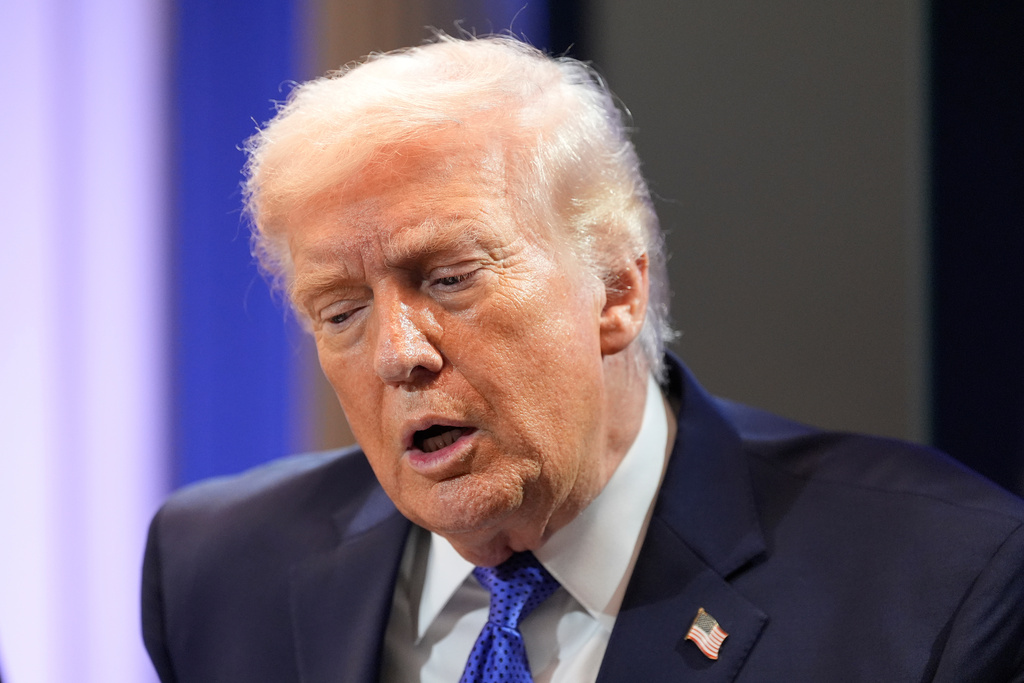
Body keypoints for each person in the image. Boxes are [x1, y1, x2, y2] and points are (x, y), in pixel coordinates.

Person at [141, 35, 1024, 682]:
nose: (398, 355)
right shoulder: (217, 570)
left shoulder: (938, 584)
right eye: (340, 311)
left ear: (616, 289)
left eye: (449, 279)